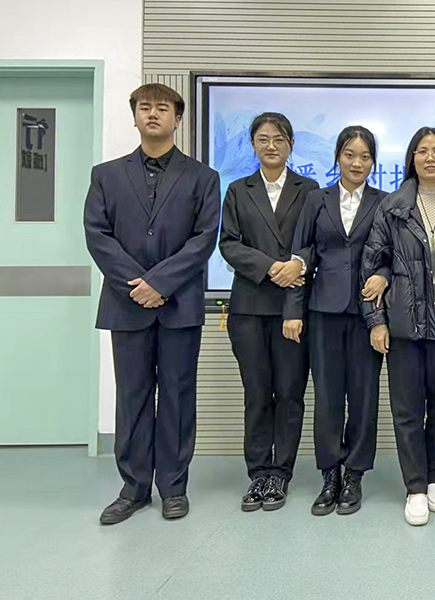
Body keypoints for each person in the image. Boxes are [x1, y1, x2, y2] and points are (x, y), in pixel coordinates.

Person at [85, 83, 221, 525]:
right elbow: (97, 235)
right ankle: (133, 488)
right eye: (145, 107)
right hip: (126, 305)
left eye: (163, 108)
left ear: (178, 119)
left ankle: (174, 488)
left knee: (178, 396)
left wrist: (160, 283)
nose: (153, 114)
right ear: (135, 117)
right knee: (133, 396)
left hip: (179, 305)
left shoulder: (203, 177)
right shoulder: (106, 175)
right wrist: (137, 285)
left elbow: (204, 239)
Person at [360, 127, 435, 526]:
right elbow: (373, 266)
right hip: (404, 327)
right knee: (406, 410)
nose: (430, 157)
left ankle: (434, 477)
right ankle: (415, 487)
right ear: (412, 158)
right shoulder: (392, 207)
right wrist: (376, 321)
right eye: (422, 151)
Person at [283, 126, 386, 516]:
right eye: (349, 154)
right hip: (323, 311)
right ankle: (330, 474)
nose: (357, 163)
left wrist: (385, 276)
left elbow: (392, 255)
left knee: (363, 396)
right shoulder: (316, 199)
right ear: (338, 157)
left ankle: (355, 474)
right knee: (326, 397)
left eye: (365, 156)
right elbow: (300, 256)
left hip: (366, 314)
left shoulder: (384, 202)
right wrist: (293, 310)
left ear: (373, 162)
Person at [219, 112, 319, 512]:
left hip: (294, 308)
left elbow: (318, 241)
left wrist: (299, 263)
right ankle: (258, 472)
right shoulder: (238, 190)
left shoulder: (309, 189)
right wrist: (270, 267)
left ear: (291, 144)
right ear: (253, 144)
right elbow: (228, 243)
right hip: (250, 307)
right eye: (263, 139)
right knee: (257, 393)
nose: (271, 146)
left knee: (290, 394)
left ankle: (281, 473)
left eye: (279, 139)